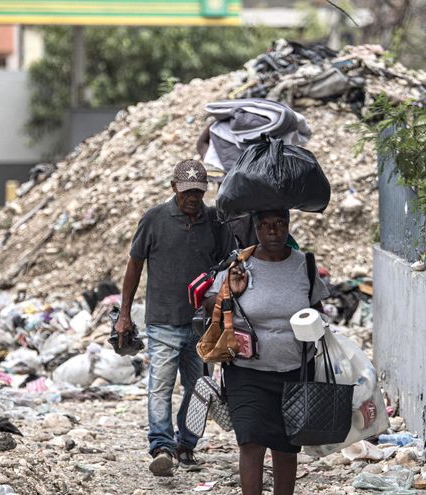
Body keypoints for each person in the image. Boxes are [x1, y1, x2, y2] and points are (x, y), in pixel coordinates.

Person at [116, 159, 232, 477]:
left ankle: (187, 444)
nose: (193, 197)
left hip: (201, 324)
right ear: (173, 189)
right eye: (187, 192)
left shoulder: (214, 221)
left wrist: (218, 304)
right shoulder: (154, 219)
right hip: (163, 319)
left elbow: (226, 265)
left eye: (198, 191)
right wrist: (124, 315)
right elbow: (134, 266)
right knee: (161, 386)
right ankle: (162, 445)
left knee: (198, 389)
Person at [205, 209, 330, 495]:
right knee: (251, 442)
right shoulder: (238, 264)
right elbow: (208, 306)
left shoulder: (305, 265)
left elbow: (318, 311)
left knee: (286, 446)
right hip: (246, 372)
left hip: (295, 370)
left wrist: (315, 322)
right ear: (256, 229)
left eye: (279, 224)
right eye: (265, 225)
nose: (272, 231)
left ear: (288, 227)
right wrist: (230, 293)